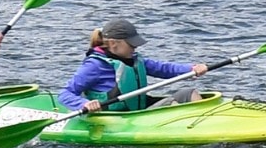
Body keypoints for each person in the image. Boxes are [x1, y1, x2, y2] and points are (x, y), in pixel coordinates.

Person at [57, 18, 208, 113]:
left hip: (138, 111)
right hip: (117, 118)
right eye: (131, 44)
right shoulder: (95, 65)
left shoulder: (135, 59)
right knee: (175, 103)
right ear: (113, 43)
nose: (135, 48)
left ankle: (205, 124)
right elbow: (65, 94)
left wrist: (192, 69)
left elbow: (164, 69)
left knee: (190, 93)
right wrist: (85, 104)